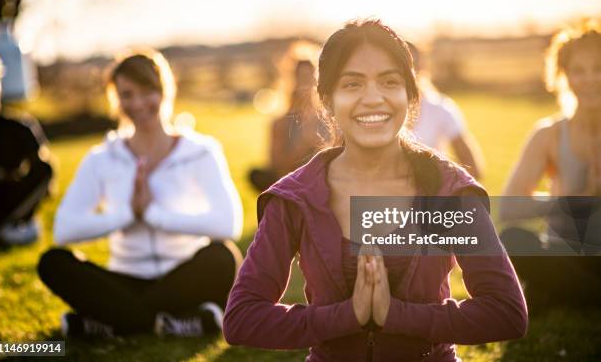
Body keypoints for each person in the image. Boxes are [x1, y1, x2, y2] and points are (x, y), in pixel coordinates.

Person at [224, 20, 527, 361]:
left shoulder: (448, 190)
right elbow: (242, 319)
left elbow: (506, 312)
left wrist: (394, 315)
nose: (373, 98)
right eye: (352, 84)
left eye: (389, 82)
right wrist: (348, 316)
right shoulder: (295, 197)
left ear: (411, 96)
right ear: (327, 100)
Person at [37, 49, 243, 338]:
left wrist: (154, 215)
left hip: (182, 276)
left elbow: (228, 223)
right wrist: (128, 214)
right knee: (53, 261)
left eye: (148, 92)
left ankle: (110, 322)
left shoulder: (201, 152)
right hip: (123, 279)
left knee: (222, 257)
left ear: (165, 91)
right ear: (116, 99)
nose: (138, 103)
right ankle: (177, 322)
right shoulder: (102, 158)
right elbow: (64, 229)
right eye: (127, 94)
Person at [500, 19, 601, 311]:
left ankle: (563, 292)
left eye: (598, 68)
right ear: (563, 76)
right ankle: (582, 293)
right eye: (578, 70)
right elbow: (508, 207)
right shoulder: (549, 134)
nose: (590, 79)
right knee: (512, 239)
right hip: (562, 250)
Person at [0, 51, 53, 248]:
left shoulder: (19, 127)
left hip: (5, 200)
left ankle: (7, 227)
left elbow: (45, 180)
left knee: (44, 169)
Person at [408, 43, 484, 179]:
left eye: (412, 66)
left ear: (422, 68)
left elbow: (472, 166)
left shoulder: (440, 108)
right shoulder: (374, 110)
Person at [249, 60, 327, 192]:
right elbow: (277, 168)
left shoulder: (330, 121)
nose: (306, 85)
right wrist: (304, 144)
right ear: (291, 82)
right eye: (301, 78)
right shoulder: (281, 123)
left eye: (310, 78)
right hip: (295, 190)